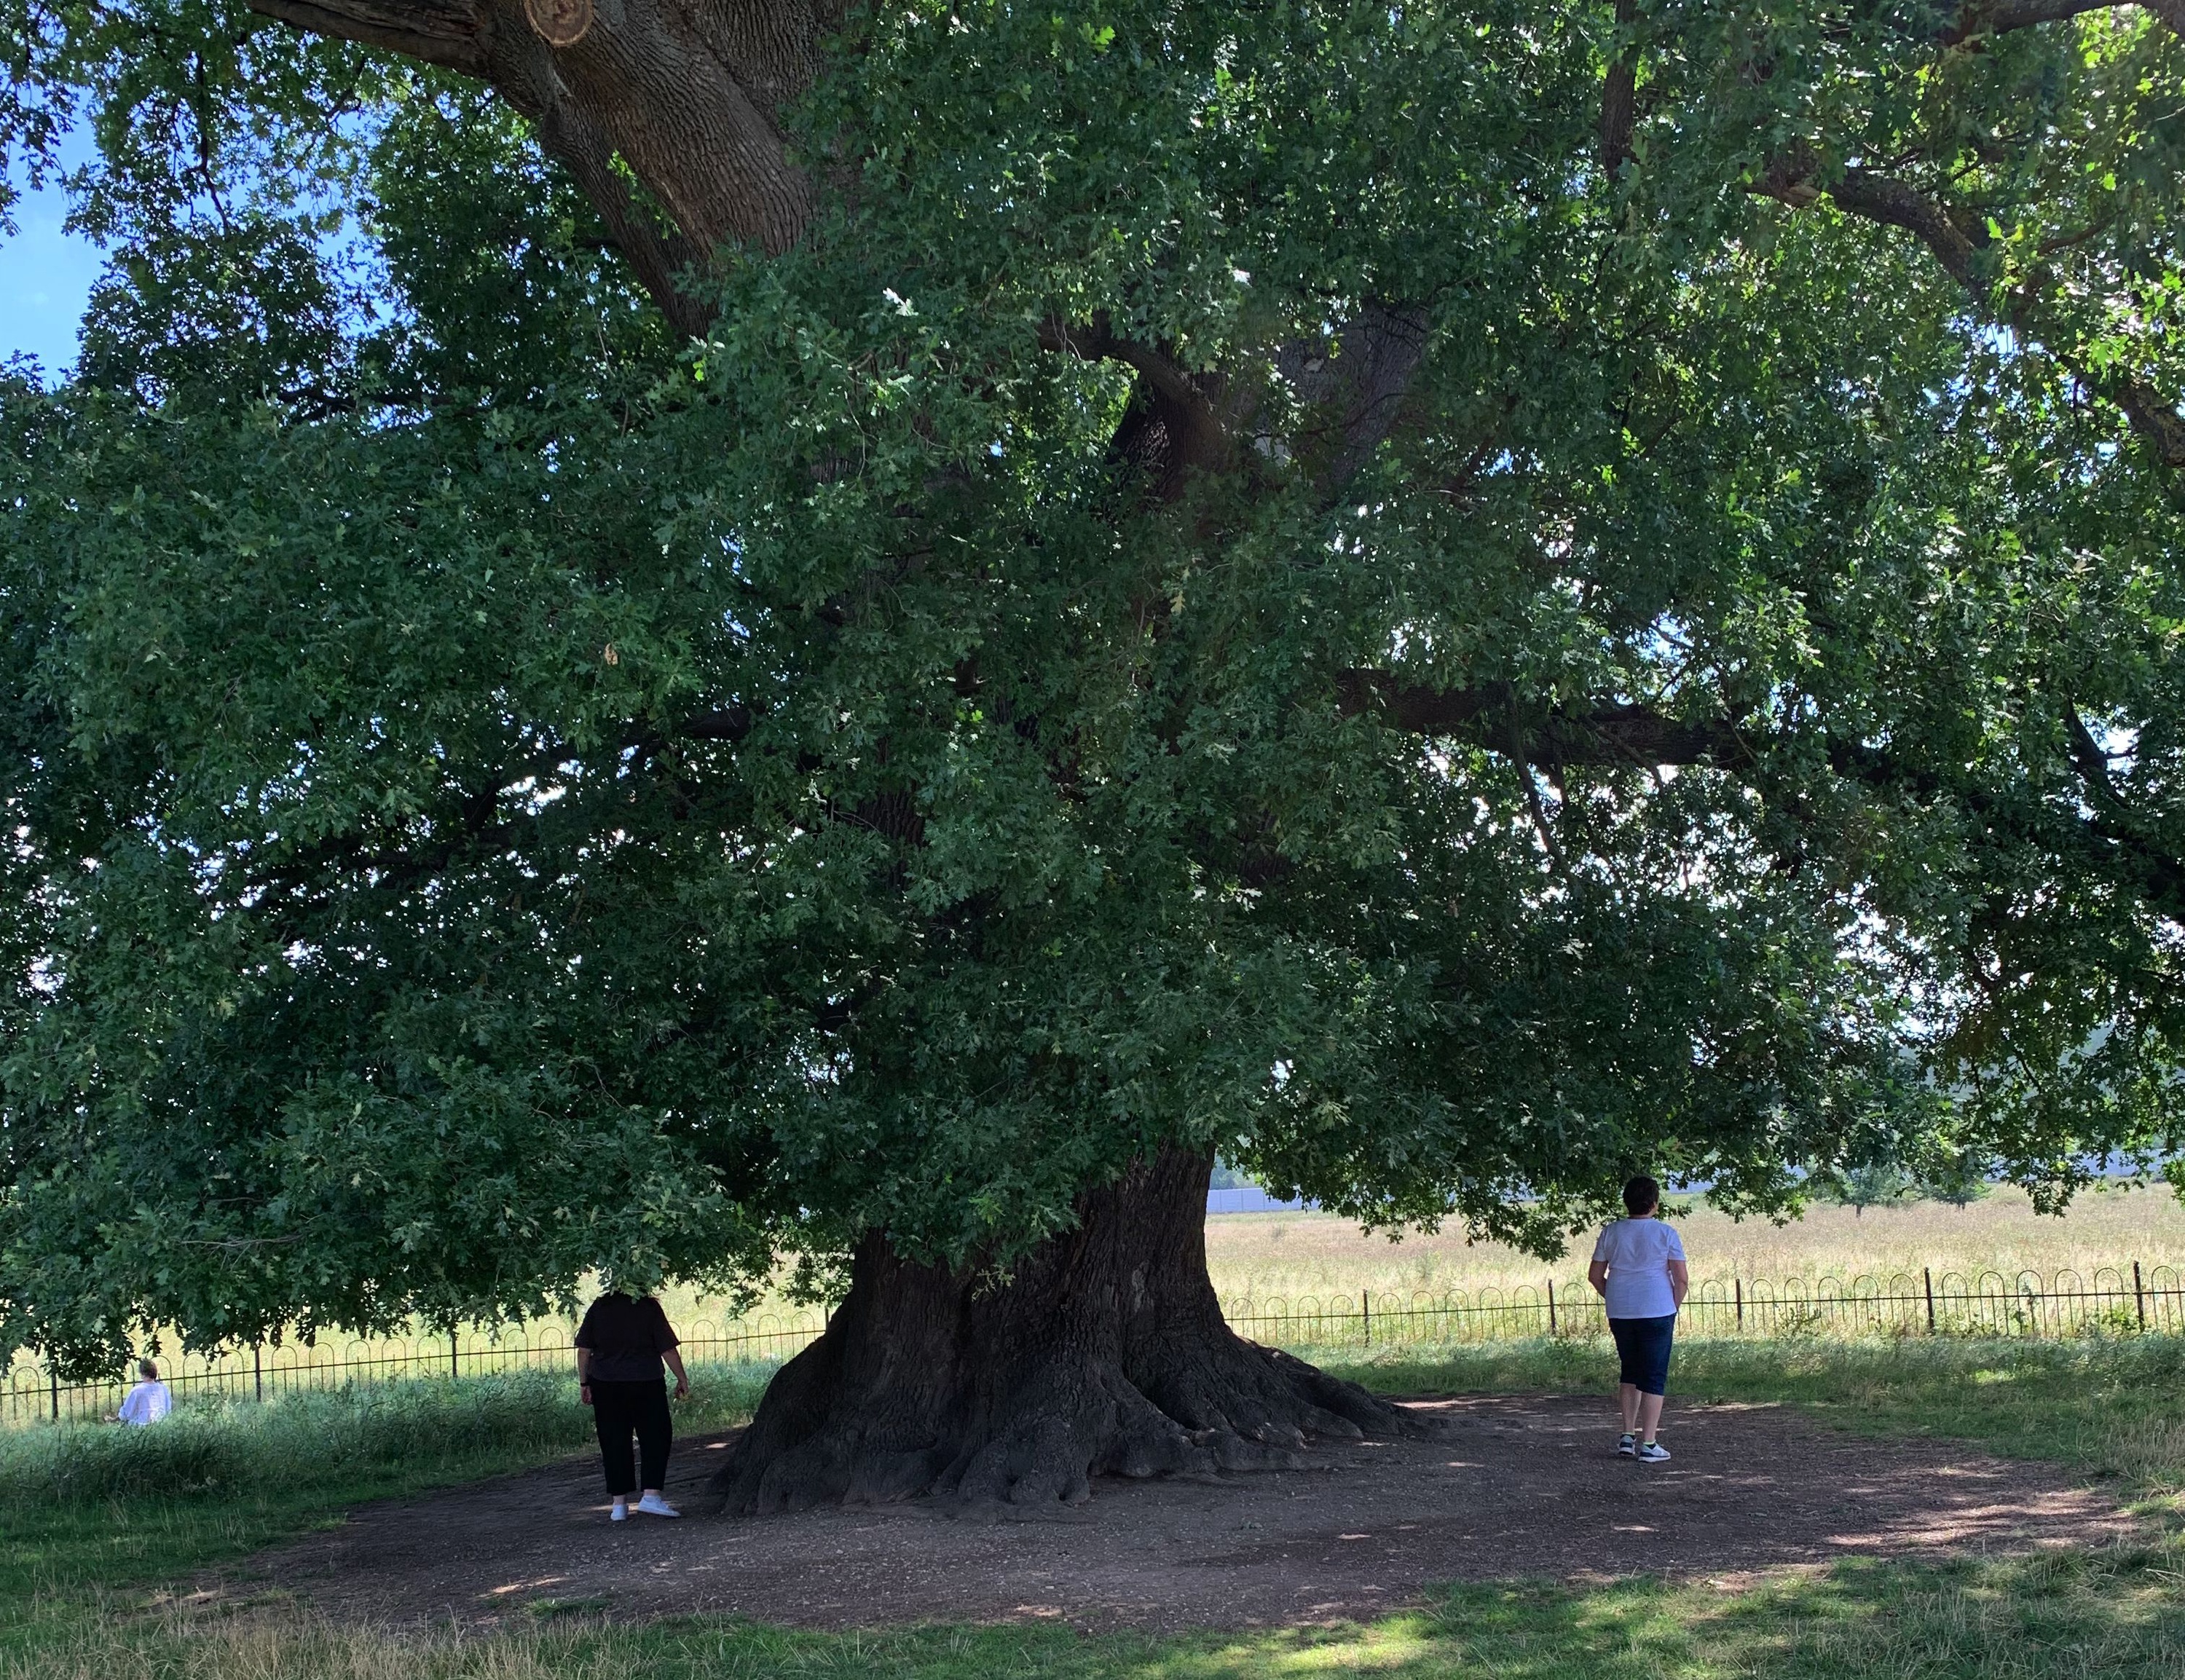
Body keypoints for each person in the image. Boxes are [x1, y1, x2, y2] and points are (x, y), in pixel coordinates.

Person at [1587, 1175, 1688, 1463]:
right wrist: (1673, 1307)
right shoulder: (1666, 1234)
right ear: (1655, 1204)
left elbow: (1595, 1276)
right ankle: (1650, 1443)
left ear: (1626, 1202)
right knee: (1654, 1376)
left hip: (1621, 1311)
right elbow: (1680, 1279)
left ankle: (1627, 1437)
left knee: (1629, 1371)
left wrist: (1616, 1297)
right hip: (1657, 1310)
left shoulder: (1611, 1232)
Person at [574, 1290, 690, 1521]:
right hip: (646, 1381)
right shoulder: (648, 1307)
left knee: (613, 1440)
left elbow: (584, 1351)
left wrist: (584, 1382)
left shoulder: (599, 1307)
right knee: (656, 1436)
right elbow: (667, 1349)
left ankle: (619, 1505)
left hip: (606, 1383)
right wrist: (682, 1378)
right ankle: (651, 1496)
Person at [117, 1358, 173, 1427]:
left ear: (142, 1373)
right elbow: (168, 1410)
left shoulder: (137, 1391)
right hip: (161, 1427)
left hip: (141, 1428)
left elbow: (125, 1414)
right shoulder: (163, 1389)